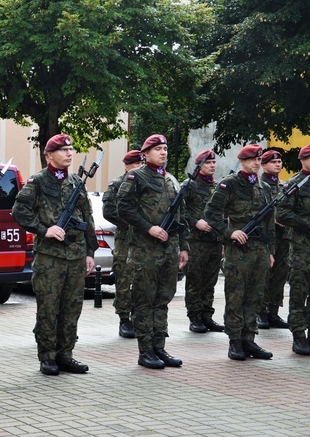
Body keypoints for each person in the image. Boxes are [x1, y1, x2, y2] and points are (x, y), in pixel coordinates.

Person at [12, 134, 97, 376]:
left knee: (72, 308)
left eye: (70, 149)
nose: (69, 153)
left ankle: (66, 354)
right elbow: (20, 211)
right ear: (49, 155)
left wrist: (90, 251)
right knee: (48, 308)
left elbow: (87, 218)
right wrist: (43, 229)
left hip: (76, 255)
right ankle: (47, 356)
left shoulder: (75, 182)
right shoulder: (37, 181)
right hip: (50, 258)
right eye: (63, 150)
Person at [117, 134, 189, 369]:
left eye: (165, 148)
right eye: (157, 149)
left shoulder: (171, 179)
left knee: (162, 300)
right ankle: (145, 350)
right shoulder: (136, 176)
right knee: (144, 302)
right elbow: (123, 207)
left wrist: (183, 247)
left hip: (168, 251)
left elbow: (181, 215)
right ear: (145, 154)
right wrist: (149, 228)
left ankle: (159, 347)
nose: (163, 152)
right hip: (144, 251)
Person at [204, 144, 274, 361]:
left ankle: (249, 339)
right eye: (252, 159)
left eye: (259, 159)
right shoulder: (229, 184)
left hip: (260, 250)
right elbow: (211, 213)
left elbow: (270, 222)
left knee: (256, 296)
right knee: (236, 295)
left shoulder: (264, 187)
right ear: (242, 161)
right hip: (239, 251)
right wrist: (229, 232)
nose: (256, 163)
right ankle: (235, 341)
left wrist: (270, 250)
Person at [102, 149, 144, 339]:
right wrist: (133, 222)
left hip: (144, 239)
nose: (140, 167)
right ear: (127, 166)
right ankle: (124, 319)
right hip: (126, 239)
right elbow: (109, 210)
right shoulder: (118, 184)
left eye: (142, 163)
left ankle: (139, 317)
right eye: (136, 164)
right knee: (124, 279)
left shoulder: (146, 183)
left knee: (142, 279)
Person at [182, 149, 225, 334]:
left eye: (214, 163)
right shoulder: (189, 185)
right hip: (196, 241)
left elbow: (222, 213)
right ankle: (195, 317)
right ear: (199, 165)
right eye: (208, 163)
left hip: (215, 241)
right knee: (195, 280)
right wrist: (195, 222)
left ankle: (207, 316)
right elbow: (179, 210)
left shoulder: (217, 186)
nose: (212, 166)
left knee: (210, 281)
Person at [275, 145, 310, 355]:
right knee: (299, 292)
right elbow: (282, 214)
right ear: (303, 160)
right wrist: (307, 223)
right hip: (301, 250)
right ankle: (298, 335)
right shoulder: (295, 184)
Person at [258, 150, 290, 329]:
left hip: (284, 238)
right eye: (273, 162)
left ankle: (274, 311)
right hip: (267, 237)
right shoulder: (260, 186)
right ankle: (261, 312)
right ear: (263, 165)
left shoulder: (285, 186)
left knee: (279, 275)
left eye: (279, 161)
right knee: (265, 275)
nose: (277, 164)